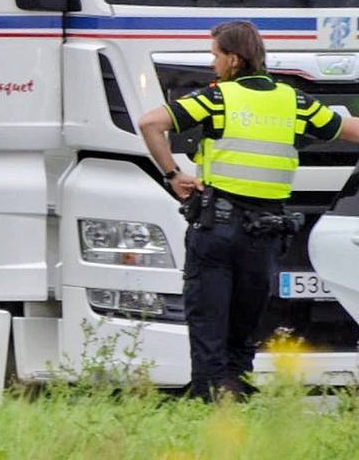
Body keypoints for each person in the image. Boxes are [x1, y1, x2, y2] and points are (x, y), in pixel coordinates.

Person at [139, 20, 359, 401]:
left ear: (235, 59)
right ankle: (235, 390)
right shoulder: (293, 101)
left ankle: (209, 398)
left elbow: (150, 123)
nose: (213, 65)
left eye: (216, 56)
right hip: (266, 232)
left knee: (209, 318)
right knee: (247, 318)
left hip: (217, 227)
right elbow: (350, 130)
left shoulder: (217, 98)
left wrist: (174, 175)